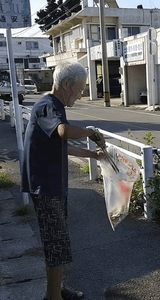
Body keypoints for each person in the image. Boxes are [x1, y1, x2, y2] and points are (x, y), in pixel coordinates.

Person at [21, 61, 105, 300]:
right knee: (56, 244)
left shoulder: (55, 105)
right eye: (79, 90)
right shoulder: (49, 105)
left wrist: (92, 155)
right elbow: (63, 132)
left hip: (52, 184)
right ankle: (53, 297)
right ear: (67, 84)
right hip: (45, 187)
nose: (80, 95)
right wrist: (92, 133)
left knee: (57, 241)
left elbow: (60, 144)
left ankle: (55, 290)